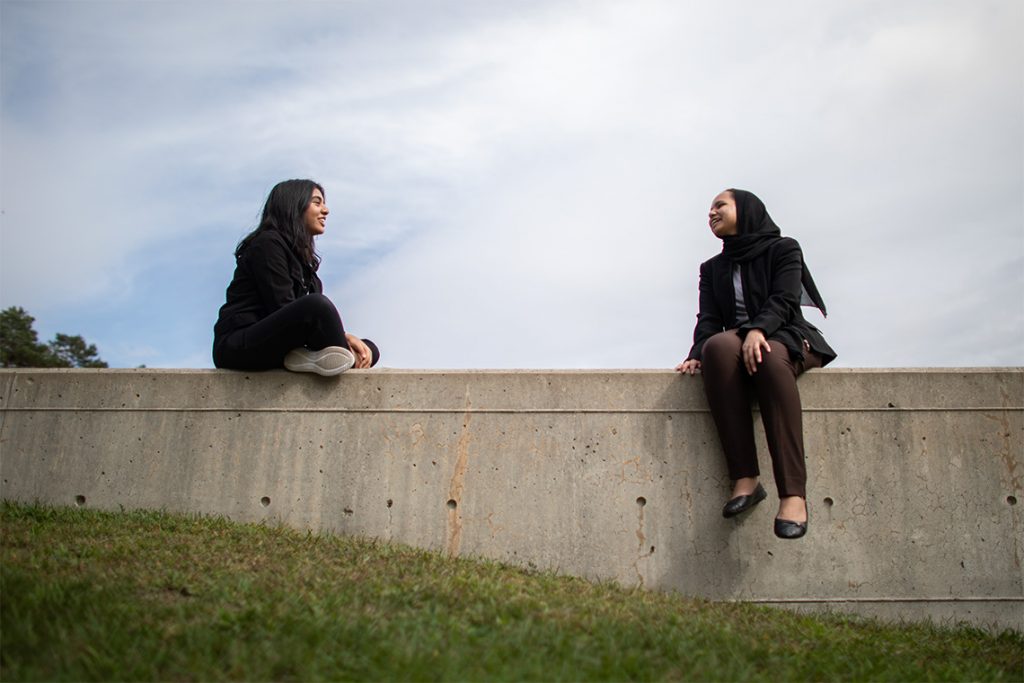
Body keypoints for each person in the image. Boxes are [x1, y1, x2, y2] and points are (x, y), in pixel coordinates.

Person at [675, 189, 836, 539]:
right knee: (717, 347)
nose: (711, 213)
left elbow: (785, 299)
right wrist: (696, 353)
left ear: (745, 210)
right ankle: (746, 479)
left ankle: (793, 495)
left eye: (720, 205)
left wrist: (758, 329)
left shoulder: (784, 249)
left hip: (787, 335)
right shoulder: (712, 268)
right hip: (739, 341)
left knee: (768, 359)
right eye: (709, 209)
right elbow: (710, 318)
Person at [213, 179, 379, 376]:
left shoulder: (305, 266)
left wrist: (347, 339)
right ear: (294, 205)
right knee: (317, 306)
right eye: (317, 203)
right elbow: (283, 307)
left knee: (370, 349)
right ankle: (320, 357)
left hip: (283, 342)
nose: (325, 210)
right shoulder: (267, 244)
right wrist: (342, 337)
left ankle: (308, 358)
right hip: (240, 345)